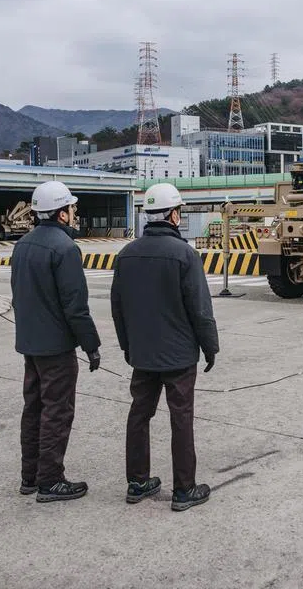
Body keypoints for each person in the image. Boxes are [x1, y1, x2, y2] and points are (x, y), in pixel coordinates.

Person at [111, 182, 218, 512]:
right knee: (180, 418)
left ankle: (137, 481)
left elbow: (118, 307)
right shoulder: (185, 254)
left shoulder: (126, 254)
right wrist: (210, 347)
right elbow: (200, 309)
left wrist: (128, 347)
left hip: (142, 353)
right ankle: (184, 489)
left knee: (139, 415)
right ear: (174, 215)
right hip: (178, 355)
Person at [11, 180, 101, 503]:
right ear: (61, 213)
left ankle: (30, 476)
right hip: (56, 348)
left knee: (33, 408)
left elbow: (18, 295)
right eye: (71, 208)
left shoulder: (21, 245)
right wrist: (91, 345)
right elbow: (76, 306)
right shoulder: (65, 249)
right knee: (57, 412)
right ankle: (50, 479)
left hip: (30, 345)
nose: (74, 213)